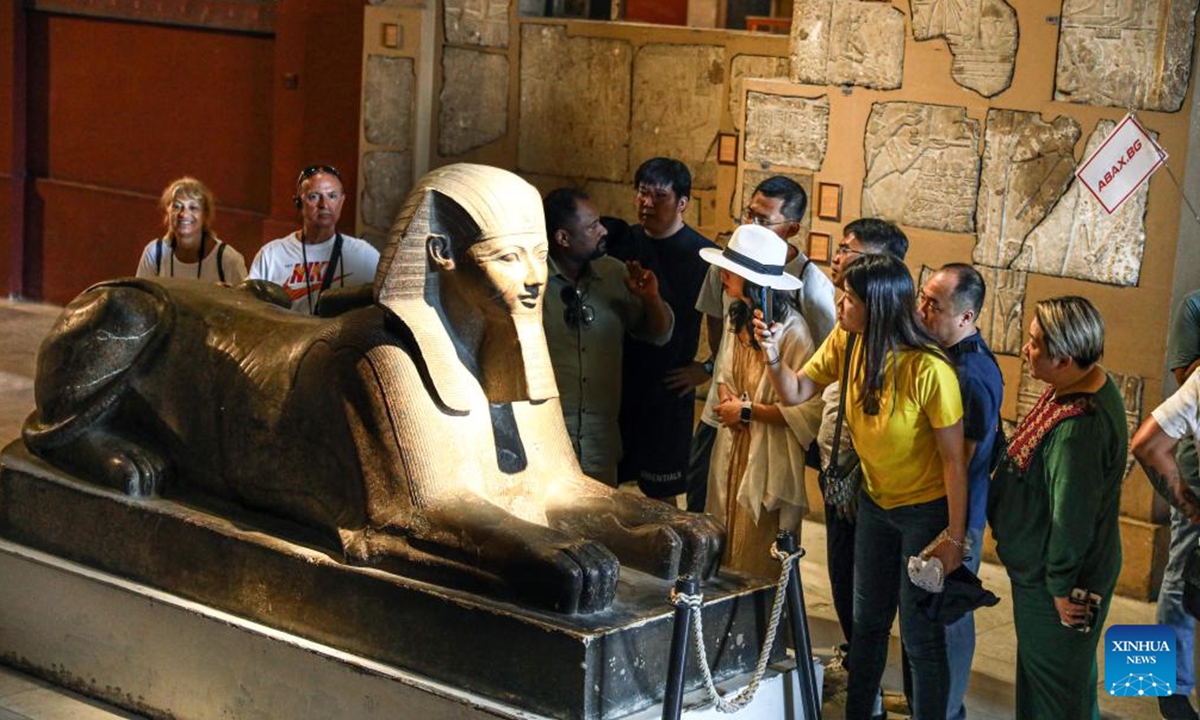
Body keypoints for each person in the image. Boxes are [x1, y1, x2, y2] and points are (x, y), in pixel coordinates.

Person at [757, 253, 966, 719]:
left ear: (877, 305)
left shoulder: (930, 370)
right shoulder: (847, 342)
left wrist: (954, 538)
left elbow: (954, 461)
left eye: (849, 298)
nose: (840, 304)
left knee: (918, 633)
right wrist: (771, 353)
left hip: (924, 511)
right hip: (875, 502)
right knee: (866, 624)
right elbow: (794, 392)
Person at [989, 296, 1127, 719]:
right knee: (1045, 679)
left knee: (1058, 695)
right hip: (1044, 571)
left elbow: (1072, 517)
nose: (1026, 350)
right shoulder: (1081, 384)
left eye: (1034, 344)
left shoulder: (1078, 432)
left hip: (1059, 582)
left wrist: (1061, 587)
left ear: (1065, 358)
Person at [686, 175, 835, 513]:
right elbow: (718, 328)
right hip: (721, 411)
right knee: (703, 500)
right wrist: (724, 386)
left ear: (792, 228)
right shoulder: (730, 264)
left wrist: (753, 409)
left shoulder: (810, 288)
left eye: (763, 220)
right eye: (749, 215)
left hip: (772, 418)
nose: (751, 225)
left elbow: (821, 366)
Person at [699, 224, 822, 578]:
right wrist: (728, 404)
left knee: (758, 550)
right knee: (722, 536)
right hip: (732, 442)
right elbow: (725, 373)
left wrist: (749, 412)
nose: (723, 274)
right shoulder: (736, 317)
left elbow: (806, 409)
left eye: (731, 269)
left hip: (768, 454)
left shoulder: (792, 332)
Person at [822, 217, 911, 685]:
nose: (838, 260)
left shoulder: (916, 358)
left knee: (875, 600)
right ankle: (862, 679)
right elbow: (806, 384)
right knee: (845, 581)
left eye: (850, 252)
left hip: (881, 493)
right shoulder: (847, 330)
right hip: (846, 478)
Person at [542, 187, 674, 485]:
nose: (603, 230)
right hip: (544, 444)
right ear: (563, 238)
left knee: (600, 529)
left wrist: (651, 298)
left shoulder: (615, 274)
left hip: (599, 447)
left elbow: (660, 334)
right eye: (591, 226)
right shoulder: (530, 282)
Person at [917, 263, 1003, 720]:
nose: (922, 310)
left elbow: (961, 461)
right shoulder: (942, 357)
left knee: (945, 623)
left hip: (954, 519)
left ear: (967, 318)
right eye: (923, 298)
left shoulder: (972, 374)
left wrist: (953, 537)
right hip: (932, 510)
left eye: (935, 305)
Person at [607, 157, 716, 499]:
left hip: (669, 389)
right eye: (641, 193)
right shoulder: (621, 242)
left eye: (659, 195)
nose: (647, 203)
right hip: (619, 383)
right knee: (605, 484)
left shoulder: (705, 256)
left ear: (682, 202)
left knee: (663, 495)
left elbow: (727, 326)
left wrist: (707, 368)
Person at [1138, 289, 1200, 720]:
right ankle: (1160, 686)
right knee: (1177, 578)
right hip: (1193, 473)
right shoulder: (1194, 305)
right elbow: (1185, 375)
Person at [248, 165, 380, 314]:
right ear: (299, 203)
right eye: (314, 196)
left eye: (332, 196)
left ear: (342, 202)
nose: (324, 205)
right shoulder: (271, 255)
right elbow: (250, 307)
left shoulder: (364, 254)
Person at [136, 177, 247, 284]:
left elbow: (245, 301)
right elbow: (139, 300)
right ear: (167, 212)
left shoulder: (229, 260)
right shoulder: (154, 253)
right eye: (177, 206)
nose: (183, 214)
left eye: (193, 208)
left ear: (205, 215)